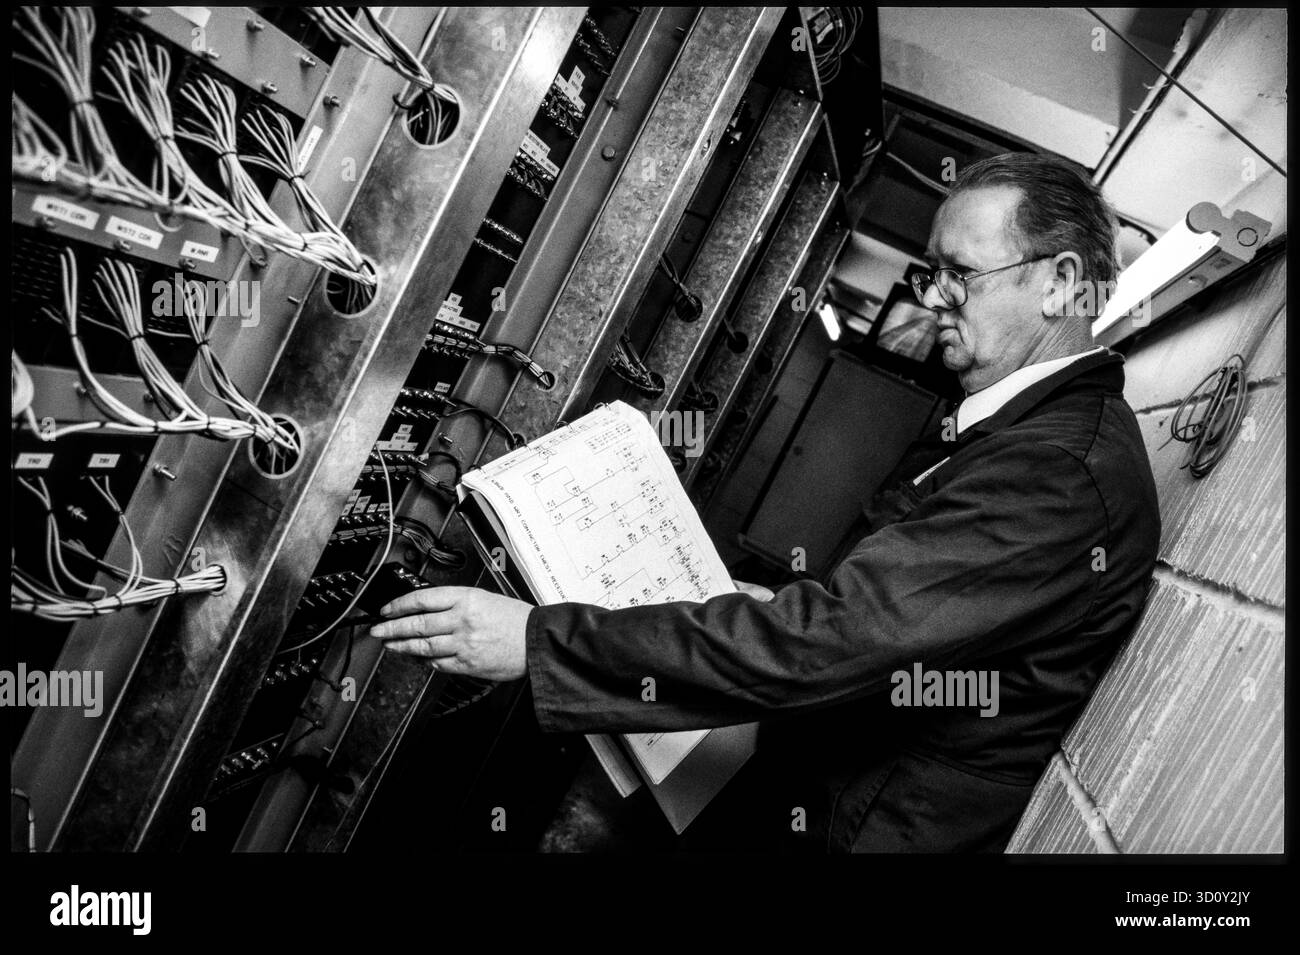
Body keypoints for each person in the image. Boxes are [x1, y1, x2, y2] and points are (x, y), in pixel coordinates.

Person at [369, 152, 1161, 852]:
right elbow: (891, 620)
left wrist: (545, 644)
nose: (936, 296)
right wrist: (790, 605)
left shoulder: (1059, 469)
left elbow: (831, 644)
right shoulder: (1028, 432)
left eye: (962, 273)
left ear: (1059, 282)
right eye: (932, 272)